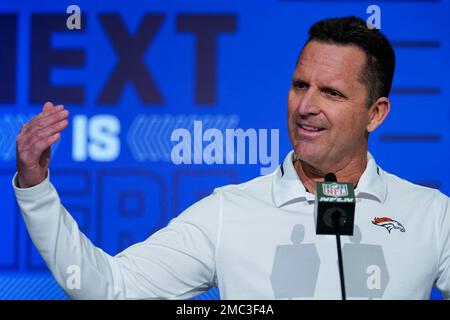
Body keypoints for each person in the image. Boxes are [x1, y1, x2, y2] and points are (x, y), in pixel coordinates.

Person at [13, 16, 450, 299]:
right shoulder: (229, 211)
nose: (306, 106)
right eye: (301, 85)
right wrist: (36, 190)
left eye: (331, 93)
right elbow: (111, 288)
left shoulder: (431, 215)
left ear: (375, 114)